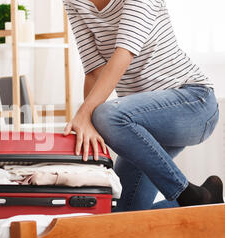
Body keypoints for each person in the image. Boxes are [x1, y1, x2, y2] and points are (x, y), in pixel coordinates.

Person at [63, 0, 223, 211]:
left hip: (193, 102)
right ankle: (205, 203)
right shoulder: (74, 2)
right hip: (141, 122)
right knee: (120, 215)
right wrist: (88, 129)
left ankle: (189, 194)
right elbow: (94, 71)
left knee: (106, 115)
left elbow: (125, 53)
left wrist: (86, 115)